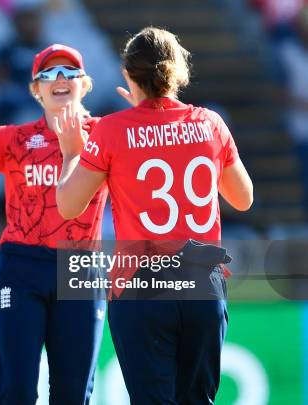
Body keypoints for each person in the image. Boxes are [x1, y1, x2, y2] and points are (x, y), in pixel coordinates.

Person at [56, 27, 253, 404]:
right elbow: (243, 198)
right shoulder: (210, 123)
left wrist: (70, 154)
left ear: (129, 75)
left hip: (141, 286)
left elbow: (68, 206)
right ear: (178, 71)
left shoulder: (113, 130)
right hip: (202, 286)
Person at [0, 44, 108, 405]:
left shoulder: (105, 136)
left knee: (74, 393)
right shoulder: (15, 139)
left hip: (80, 268)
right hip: (22, 266)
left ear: (85, 85)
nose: (60, 80)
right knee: (15, 389)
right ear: (35, 90)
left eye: (70, 73)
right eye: (49, 75)